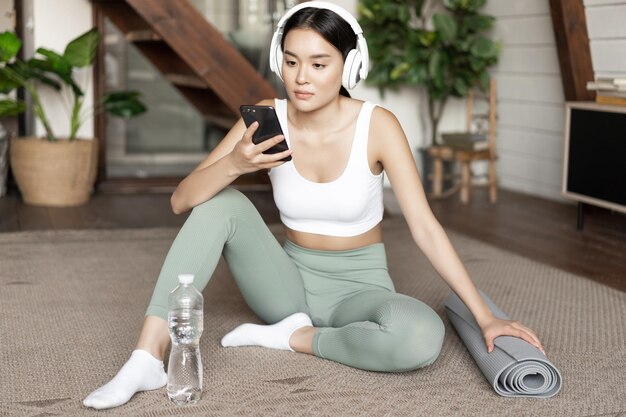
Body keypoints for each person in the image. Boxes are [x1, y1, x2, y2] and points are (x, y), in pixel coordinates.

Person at [83, 1, 545, 410]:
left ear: (349, 67)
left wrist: (485, 317)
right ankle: (146, 358)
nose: (301, 77)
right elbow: (182, 200)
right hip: (285, 285)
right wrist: (236, 163)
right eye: (291, 61)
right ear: (277, 62)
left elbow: (425, 227)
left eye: (319, 63)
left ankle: (293, 338)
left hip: (359, 290)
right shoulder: (270, 116)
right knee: (218, 202)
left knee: (422, 337)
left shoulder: (377, 126)